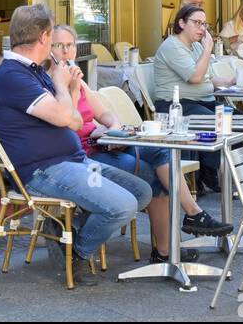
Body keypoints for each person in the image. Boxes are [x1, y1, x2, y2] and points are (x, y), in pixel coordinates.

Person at [0, 4, 153, 285]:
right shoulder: (12, 75)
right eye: (51, 37)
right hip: (45, 171)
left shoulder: (33, 71)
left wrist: (71, 90)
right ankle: (76, 251)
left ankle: (69, 231)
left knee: (141, 191)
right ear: (43, 37)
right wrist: (62, 86)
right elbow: (66, 116)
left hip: (75, 162)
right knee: (123, 205)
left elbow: (74, 122)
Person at [49, 25, 231, 263]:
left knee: (160, 151)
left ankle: (187, 222)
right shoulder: (54, 82)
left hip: (104, 142)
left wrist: (113, 128)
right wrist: (71, 89)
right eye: (59, 46)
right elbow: (68, 123)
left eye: (70, 45)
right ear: (48, 49)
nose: (66, 51)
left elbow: (106, 114)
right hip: (84, 154)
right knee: (155, 176)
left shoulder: (79, 81)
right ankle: (171, 244)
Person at [152, 4, 223, 193]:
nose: (202, 28)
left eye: (204, 24)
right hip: (175, 105)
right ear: (181, 23)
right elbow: (195, 77)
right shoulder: (172, 46)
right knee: (217, 123)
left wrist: (236, 81)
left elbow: (210, 78)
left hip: (202, 100)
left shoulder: (196, 47)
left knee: (239, 120)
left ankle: (239, 178)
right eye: (197, 23)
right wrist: (208, 49)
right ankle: (208, 175)